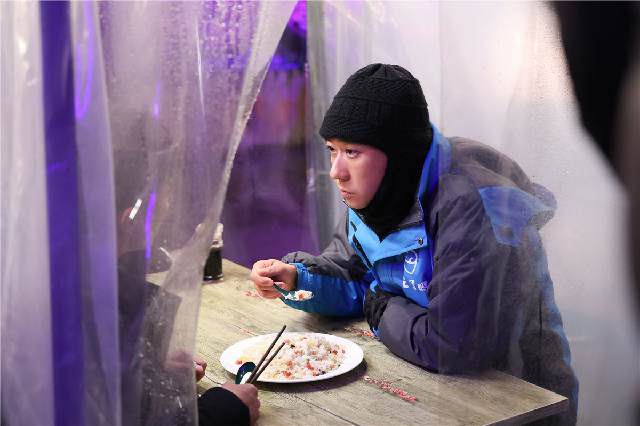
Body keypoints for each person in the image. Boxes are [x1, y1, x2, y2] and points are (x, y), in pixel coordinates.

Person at [251, 64, 578, 425]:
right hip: (434, 396)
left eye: (352, 152)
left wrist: (381, 308)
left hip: (520, 405)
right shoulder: (380, 193)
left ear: (398, 154)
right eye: (332, 149)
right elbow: (354, 275)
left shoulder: (467, 205)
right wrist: (298, 278)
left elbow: (451, 345)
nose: (335, 171)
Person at [114, 119, 260, 426]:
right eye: (165, 197)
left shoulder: (80, 285)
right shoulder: (95, 306)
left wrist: (147, 370)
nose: (169, 207)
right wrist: (223, 410)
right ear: (131, 218)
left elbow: (114, 390)